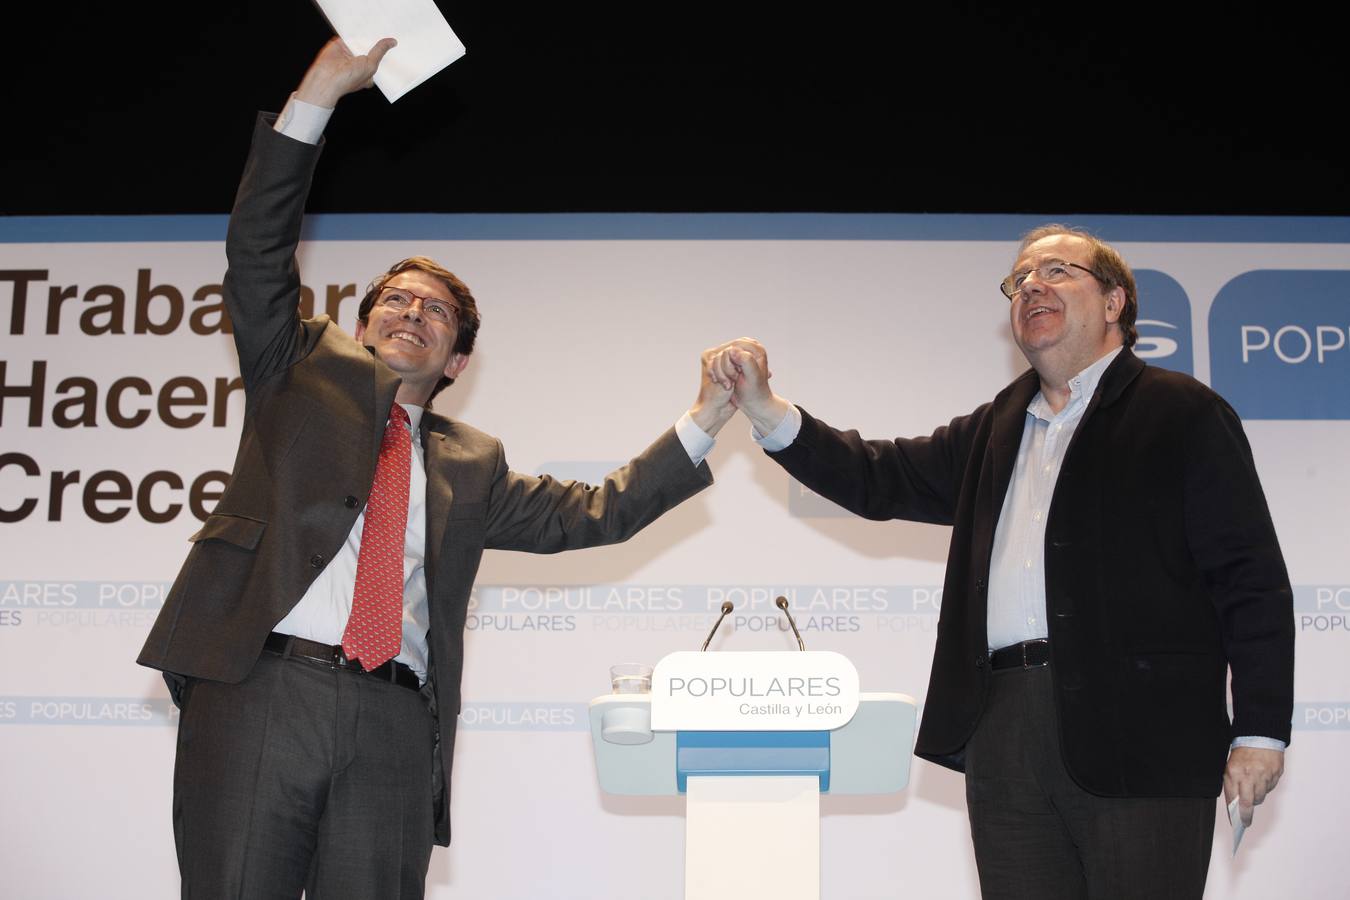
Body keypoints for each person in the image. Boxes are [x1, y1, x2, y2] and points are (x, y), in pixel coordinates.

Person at [136, 38, 738, 898]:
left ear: (457, 361)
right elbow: (258, 254)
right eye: (397, 300)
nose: (414, 311)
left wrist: (709, 418)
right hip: (264, 690)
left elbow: (596, 512)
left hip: (394, 721)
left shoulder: (473, 464)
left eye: (439, 312)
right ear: (365, 324)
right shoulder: (297, 369)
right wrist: (320, 94)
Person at [702, 226, 1294, 898]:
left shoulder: (1183, 413)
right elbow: (878, 477)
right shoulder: (994, 428)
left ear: (1113, 303)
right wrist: (765, 409)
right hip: (1003, 727)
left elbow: (1251, 579)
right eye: (1020, 279)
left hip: (1143, 732)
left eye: (1059, 270)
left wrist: (1260, 730)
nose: (1033, 285)